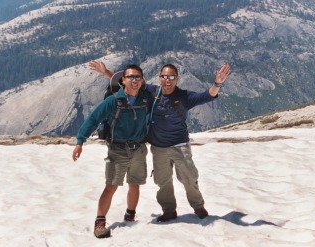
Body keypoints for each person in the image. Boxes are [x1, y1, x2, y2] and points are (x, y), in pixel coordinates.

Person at [89, 60, 230, 222]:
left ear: (177, 79)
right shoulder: (152, 92)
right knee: (163, 182)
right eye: (164, 76)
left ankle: (198, 207)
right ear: (159, 77)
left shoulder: (184, 97)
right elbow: (129, 82)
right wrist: (106, 72)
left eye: (171, 77)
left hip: (180, 146)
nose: (168, 80)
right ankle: (169, 210)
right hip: (158, 148)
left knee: (189, 178)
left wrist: (217, 83)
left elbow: (208, 95)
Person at [72, 64, 153, 238]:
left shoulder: (146, 99)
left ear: (142, 80)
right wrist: (80, 141)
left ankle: (130, 216)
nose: (134, 80)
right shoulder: (113, 101)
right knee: (111, 186)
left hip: (139, 149)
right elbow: (94, 119)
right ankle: (100, 222)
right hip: (117, 149)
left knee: (135, 184)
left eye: (138, 77)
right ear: (123, 80)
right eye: (130, 77)